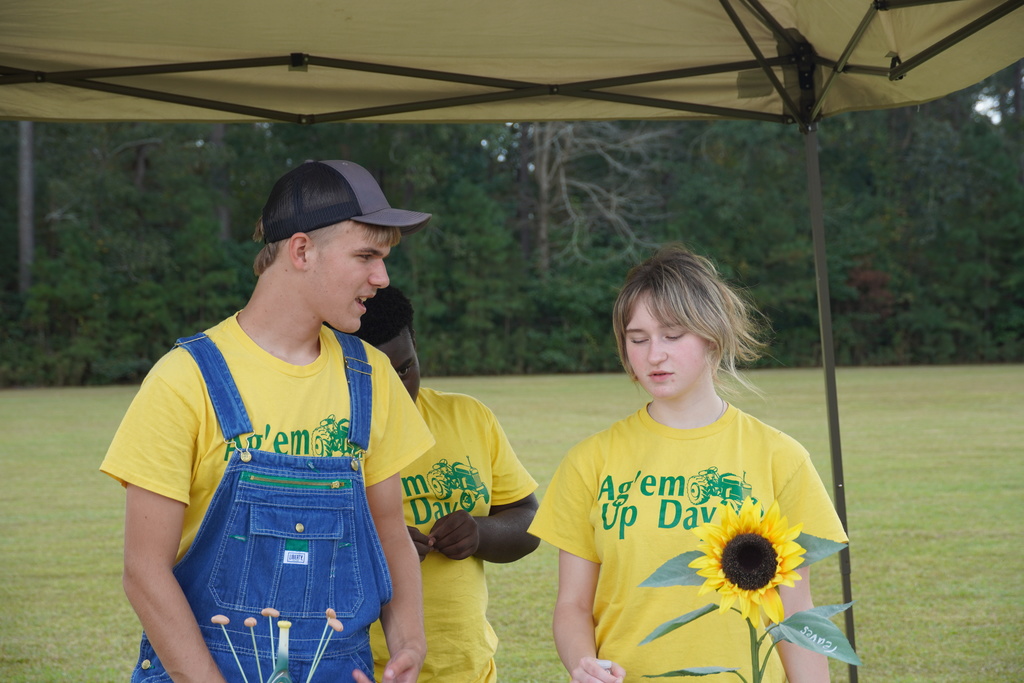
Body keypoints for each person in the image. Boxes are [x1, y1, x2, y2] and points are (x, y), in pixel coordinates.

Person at [101, 160, 437, 683]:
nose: (382, 278)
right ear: (302, 251)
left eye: (385, 258)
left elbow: (390, 531)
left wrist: (409, 643)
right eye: (367, 256)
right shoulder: (185, 379)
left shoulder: (370, 376)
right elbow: (144, 572)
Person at [528, 244, 848, 683]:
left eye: (672, 336)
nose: (653, 354)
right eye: (637, 339)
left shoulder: (780, 457)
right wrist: (584, 662)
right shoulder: (590, 461)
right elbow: (573, 606)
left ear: (712, 337)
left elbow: (796, 612)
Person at [353, 285, 540, 682]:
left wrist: (481, 533)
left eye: (405, 368)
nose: (399, 389)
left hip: (467, 669)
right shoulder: (330, 438)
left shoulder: (469, 417)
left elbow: (530, 520)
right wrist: (380, 548)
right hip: (365, 670)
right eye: (378, 379)